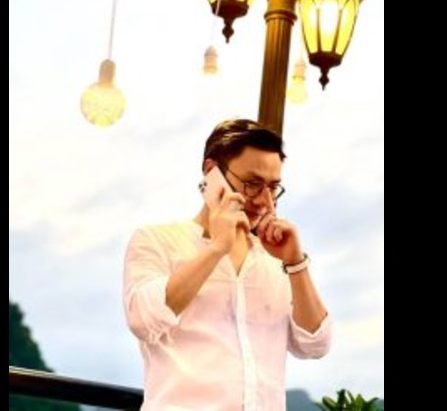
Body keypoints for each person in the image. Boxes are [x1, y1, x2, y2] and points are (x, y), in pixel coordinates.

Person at [123, 118, 332, 410]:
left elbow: (315, 345)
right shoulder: (156, 241)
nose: (265, 201)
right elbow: (143, 321)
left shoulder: (276, 260)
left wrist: (296, 263)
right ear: (211, 171)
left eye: (273, 187)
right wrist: (217, 248)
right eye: (252, 184)